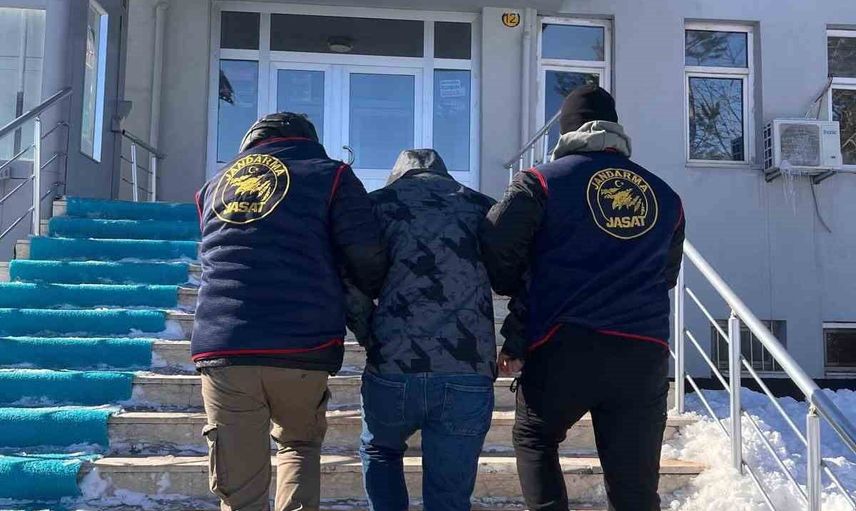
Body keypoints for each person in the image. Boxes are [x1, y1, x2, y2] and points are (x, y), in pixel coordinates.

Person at [479, 85, 685, 511]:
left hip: (564, 344)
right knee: (635, 489)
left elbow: (497, 244)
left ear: (567, 130)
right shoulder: (665, 196)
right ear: (616, 130)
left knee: (535, 437)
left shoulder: (540, 181)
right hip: (643, 351)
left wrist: (516, 287)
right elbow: (666, 275)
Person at [191, 112, 387, 511]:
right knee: (298, 445)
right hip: (303, 343)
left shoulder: (214, 185)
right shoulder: (331, 174)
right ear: (308, 141)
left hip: (225, 344)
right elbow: (365, 254)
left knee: (239, 491)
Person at [347, 149, 497, 511]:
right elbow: (517, 268)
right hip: (468, 368)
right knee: (450, 496)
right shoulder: (482, 207)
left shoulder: (376, 205)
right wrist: (517, 342)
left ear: (398, 176)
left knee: (380, 451)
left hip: (393, 365)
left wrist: (371, 335)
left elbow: (348, 279)